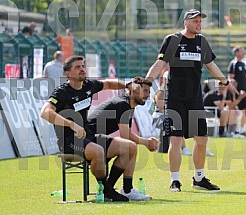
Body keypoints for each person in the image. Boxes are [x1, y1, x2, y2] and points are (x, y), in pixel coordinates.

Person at [145, 8, 238, 192]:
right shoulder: (172, 40)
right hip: (175, 98)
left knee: (202, 139)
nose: (199, 24)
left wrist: (225, 82)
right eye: (195, 21)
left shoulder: (201, 41)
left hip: (195, 98)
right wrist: (146, 82)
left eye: (200, 21)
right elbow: (160, 64)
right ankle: (175, 180)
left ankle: (199, 178)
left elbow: (210, 64)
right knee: (176, 141)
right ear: (186, 22)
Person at [40, 55, 132, 202]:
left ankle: (108, 189)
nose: (82, 69)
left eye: (83, 66)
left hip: (88, 136)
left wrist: (127, 85)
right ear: (68, 73)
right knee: (98, 151)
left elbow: (107, 84)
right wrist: (71, 124)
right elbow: (45, 113)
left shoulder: (88, 85)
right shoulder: (62, 92)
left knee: (129, 147)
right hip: (69, 141)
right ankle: (107, 190)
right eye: (77, 67)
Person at [87, 76, 159, 200]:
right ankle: (112, 189)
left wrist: (146, 142)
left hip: (96, 140)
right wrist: (146, 142)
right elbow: (125, 136)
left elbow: (128, 134)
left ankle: (123, 189)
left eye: (149, 91)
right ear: (133, 90)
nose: (148, 95)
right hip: (89, 141)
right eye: (145, 91)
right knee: (130, 147)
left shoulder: (128, 105)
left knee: (131, 147)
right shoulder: (122, 104)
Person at [152, 89, 192, 155]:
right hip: (159, 117)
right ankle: (183, 148)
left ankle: (184, 148)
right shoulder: (160, 94)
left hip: (166, 117)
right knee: (174, 127)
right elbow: (161, 107)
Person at [228, 46, 246, 137]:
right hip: (237, 92)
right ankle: (234, 129)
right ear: (236, 53)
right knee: (236, 109)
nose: (243, 53)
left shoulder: (243, 64)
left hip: (244, 91)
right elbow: (231, 79)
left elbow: (244, 79)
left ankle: (242, 129)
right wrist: (235, 91)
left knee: (245, 110)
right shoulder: (234, 64)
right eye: (242, 51)